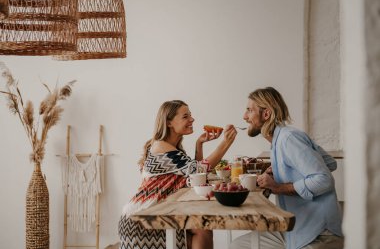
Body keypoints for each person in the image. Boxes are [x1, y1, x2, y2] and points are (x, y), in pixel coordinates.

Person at [230, 87, 343, 249]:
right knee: (238, 246)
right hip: (296, 229)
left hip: (319, 234)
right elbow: (330, 163)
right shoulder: (281, 138)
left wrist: (278, 186)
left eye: (249, 110)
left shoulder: (288, 139)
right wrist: (281, 172)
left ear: (266, 114)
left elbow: (324, 180)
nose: (244, 116)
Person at [119, 100, 237, 249]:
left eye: (191, 115)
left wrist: (199, 144)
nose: (192, 119)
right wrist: (225, 143)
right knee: (202, 230)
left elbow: (195, 177)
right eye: (185, 116)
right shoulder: (160, 146)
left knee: (202, 229)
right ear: (169, 123)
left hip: (157, 215)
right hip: (141, 220)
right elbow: (197, 170)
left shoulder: (171, 149)